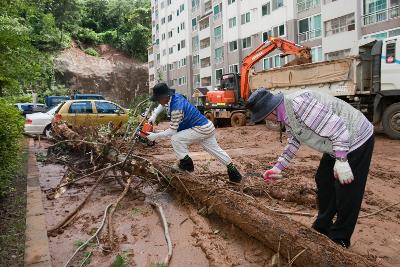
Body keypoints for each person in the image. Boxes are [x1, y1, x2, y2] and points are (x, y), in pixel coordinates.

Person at [246, 88, 374, 248]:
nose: (266, 120)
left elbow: (338, 128)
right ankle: (323, 226)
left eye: (264, 117)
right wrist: (278, 167)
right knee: (323, 179)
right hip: (335, 144)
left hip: (356, 137)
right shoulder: (284, 113)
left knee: (347, 187)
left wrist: (342, 160)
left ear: (269, 111)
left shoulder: (299, 104)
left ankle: (340, 238)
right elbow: (294, 140)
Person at [146, 83, 242, 183]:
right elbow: (162, 105)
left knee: (176, 139)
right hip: (207, 126)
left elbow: (172, 131)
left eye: (158, 99)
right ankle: (234, 174)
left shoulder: (176, 109)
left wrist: (155, 136)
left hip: (200, 129)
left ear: (165, 96)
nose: (158, 101)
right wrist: (154, 115)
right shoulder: (175, 97)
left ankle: (186, 164)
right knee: (216, 150)